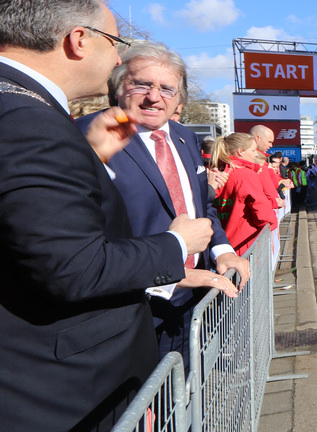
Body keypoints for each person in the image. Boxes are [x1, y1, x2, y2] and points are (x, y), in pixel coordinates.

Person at [0, 0, 213, 432]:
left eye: (168, 89)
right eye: (115, 43)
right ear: (78, 40)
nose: (118, 59)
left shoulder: (34, 118)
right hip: (52, 411)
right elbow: (72, 267)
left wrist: (87, 155)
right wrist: (176, 245)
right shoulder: (28, 121)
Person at [82, 40, 246, 362]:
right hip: (129, 308)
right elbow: (81, 235)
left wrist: (223, 250)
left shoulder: (186, 138)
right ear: (118, 88)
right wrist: (166, 272)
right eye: (142, 84)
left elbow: (202, 207)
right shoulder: (87, 136)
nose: (154, 97)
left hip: (193, 299)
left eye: (167, 89)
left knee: (188, 386)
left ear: (178, 99)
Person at [211, 133, 279, 254]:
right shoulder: (245, 175)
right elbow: (262, 213)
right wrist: (273, 223)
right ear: (240, 152)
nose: (256, 154)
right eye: (253, 150)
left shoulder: (213, 171)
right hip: (242, 245)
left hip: (215, 245)